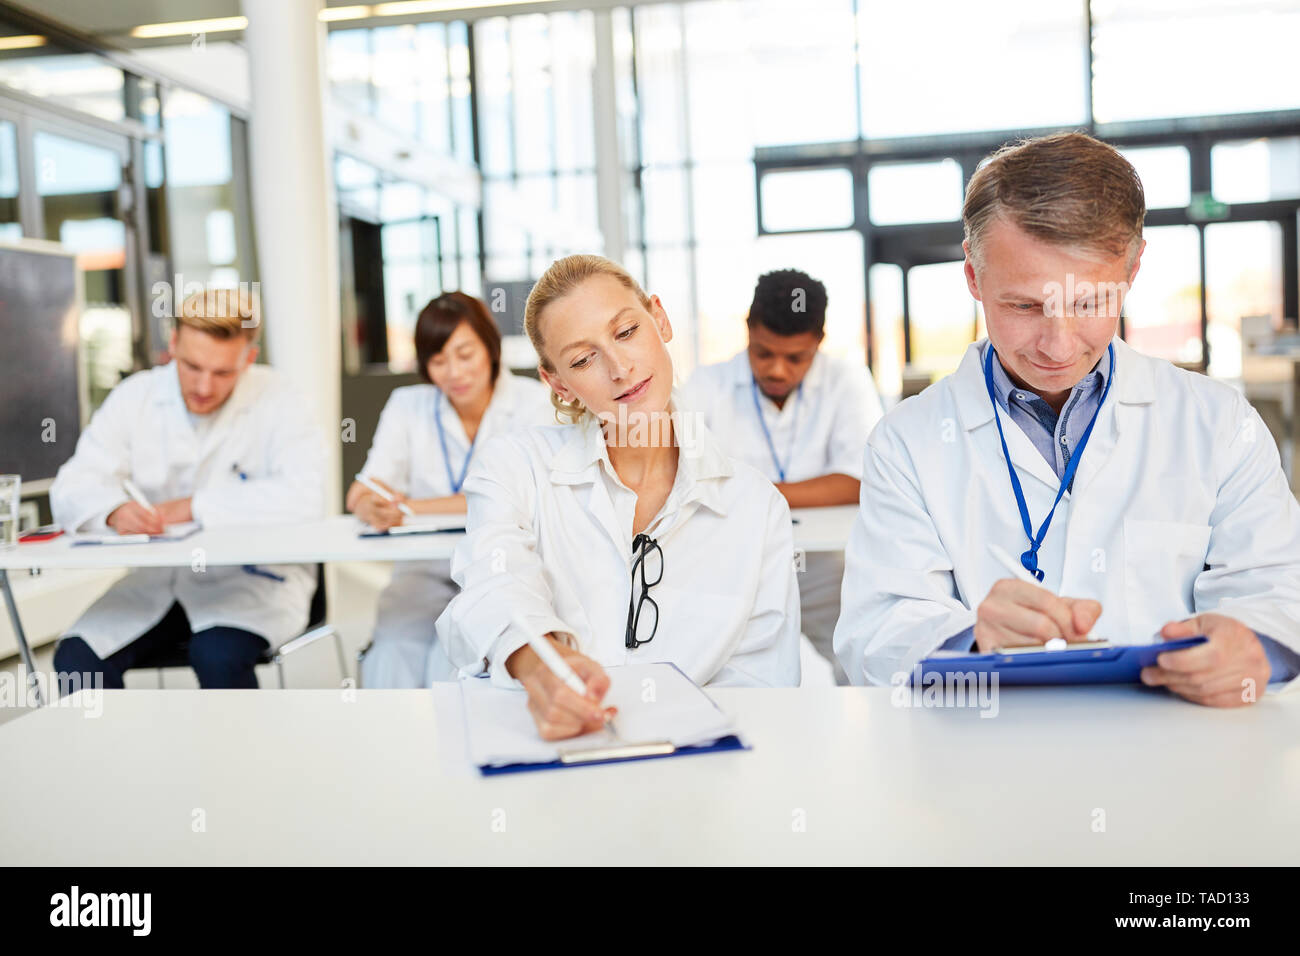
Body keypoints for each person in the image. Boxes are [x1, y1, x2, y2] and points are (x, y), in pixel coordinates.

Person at [833, 131, 1300, 704]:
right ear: (975, 277)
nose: (1057, 345)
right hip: (987, 765)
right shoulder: (907, 443)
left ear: (1133, 269)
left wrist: (1255, 647)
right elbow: (874, 637)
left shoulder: (1219, 424)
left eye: (1089, 304)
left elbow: (1280, 591)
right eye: (1024, 305)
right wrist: (972, 644)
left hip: (1176, 756)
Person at [435, 254, 801, 739]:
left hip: (695, 772)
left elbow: (763, 686)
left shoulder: (755, 506)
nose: (620, 368)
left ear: (660, 319)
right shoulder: (514, 467)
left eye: (626, 332)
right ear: (558, 384)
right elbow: (491, 584)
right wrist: (540, 663)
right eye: (584, 360)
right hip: (543, 763)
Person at [51, 289, 325, 689]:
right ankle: (114, 753)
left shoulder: (281, 399)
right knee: (77, 661)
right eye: (192, 366)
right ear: (173, 345)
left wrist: (192, 507)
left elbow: (305, 496)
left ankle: (240, 754)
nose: (203, 386)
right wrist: (111, 510)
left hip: (253, 582)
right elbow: (74, 483)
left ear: (249, 358)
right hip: (159, 581)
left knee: (217, 655)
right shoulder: (136, 397)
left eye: (222, 373)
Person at [681, 269, 883, 683]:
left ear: (819, 342)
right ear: (748, 329)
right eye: (763, 352)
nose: (776, 370)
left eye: (795, 358)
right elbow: (683, 478)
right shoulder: (706, 385)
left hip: (826, 571)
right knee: (732, 678)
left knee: (858, 670)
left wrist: (748, 492)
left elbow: (859, 482)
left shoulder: (847, 381)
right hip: (734, 569)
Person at [346, 292, 552, 687]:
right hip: (422, 569)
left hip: (497, 567)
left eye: (465, 354)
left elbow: (508, 501)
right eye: (438, 361)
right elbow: (363, 489)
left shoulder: (533, 402)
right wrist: (370, 504)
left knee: (457, 658)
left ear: (490, 349)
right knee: (393, 650)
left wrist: (410, 508)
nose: (454, 373)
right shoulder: (407, 404)